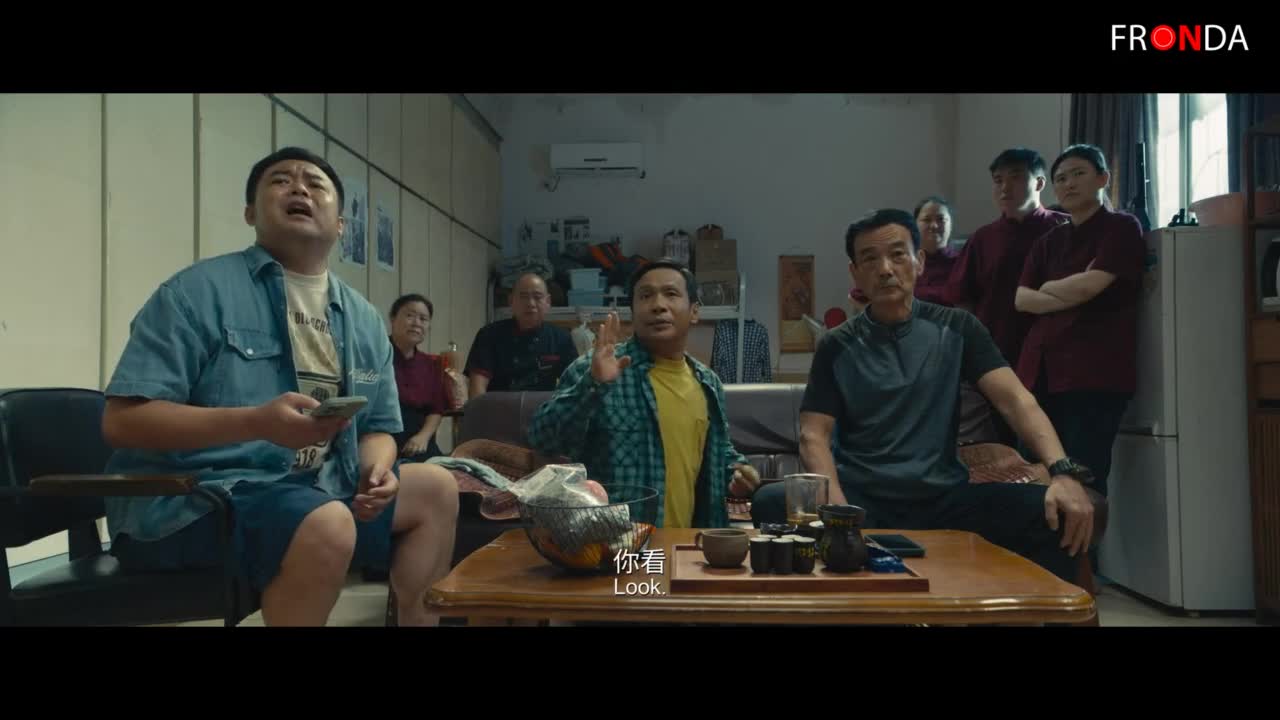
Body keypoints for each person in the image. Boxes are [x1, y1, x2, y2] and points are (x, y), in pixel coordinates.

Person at [100, 147, 458, 626]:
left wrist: (376, 469)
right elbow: (122, 422)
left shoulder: (364, 319)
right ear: (251, 212)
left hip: (319, 487)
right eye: (281, 180)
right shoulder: (196, 292)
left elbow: (377, 427)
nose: (299, 187)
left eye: (315, 183)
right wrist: (255, 423)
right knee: (324, 521)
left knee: (436, 487)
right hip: (200, 500)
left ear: (341, 225)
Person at [751, 209, 1096, 583]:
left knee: (1055, 509)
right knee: (771, 502)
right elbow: (813, 435)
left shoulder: (958, 328)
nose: (885, 269)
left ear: (919, 262)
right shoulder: (836, 345)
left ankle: (1045, 609)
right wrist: (839, 511)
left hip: (945, 500)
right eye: (870, 259)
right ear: (855, 273)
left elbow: (1016, 401)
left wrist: (1062, 472)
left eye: (897, 255)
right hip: (862, 498)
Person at [526, 260, 760, 528]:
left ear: (694, 311)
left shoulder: (708, 383)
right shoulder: (596, 368)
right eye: (646, 296)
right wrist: (593, 384)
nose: (658, 305)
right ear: (633, 311)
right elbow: (543, 440)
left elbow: (717, 450)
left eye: (671, 294)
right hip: (617, 541)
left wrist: (737, 472)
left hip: (690, 543)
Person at [1015, 144, 1144, 498]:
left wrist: (1049, 289)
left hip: (1093, 376)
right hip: (1040, 374)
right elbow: (1022, 299)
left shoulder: (1122, 227)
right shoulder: (1049, 240)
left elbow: (1092, 286)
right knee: (1033, 479)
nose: (1068, 183)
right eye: (1060, 178)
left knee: (1083, 484)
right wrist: (1071, 290)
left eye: (1078, 174)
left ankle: (1084, 538)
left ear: (1103, 178)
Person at [464, 272, 578, 398]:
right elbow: (477, 389)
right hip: (498, 407)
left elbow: (574, 386)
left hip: (542, 408)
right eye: (524, 297)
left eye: (537, 297)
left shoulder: (561, 339)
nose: (531, 303)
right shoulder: (488, 335)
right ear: (511, 301)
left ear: (548, 302)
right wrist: (481, 410)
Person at [849, 195, 959, 313]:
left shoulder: (962, 263)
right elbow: (856, 296)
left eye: (941, 219)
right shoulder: (901, 260)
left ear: (951, 224)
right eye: (927, 220)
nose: (934, 226)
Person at [388, 293, 447, 461]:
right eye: (410, 315)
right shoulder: (377, 355)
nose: (417, 323)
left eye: (423, 319)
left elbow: (436, 410)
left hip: (420, 443)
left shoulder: (428, 364)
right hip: (386, 441)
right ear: (393, 319)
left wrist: (423, 437)